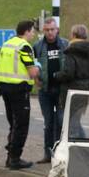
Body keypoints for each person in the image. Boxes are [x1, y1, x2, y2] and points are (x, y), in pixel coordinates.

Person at [0, 20, 39, 170]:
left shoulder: (7, 44)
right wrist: (38, 67)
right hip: (19, 90)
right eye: (32, 31)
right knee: (21, 125)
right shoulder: (24, 46)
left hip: (5, 88)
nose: (33, 34)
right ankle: (15, 158)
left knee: (13, 124)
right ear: (26, 31)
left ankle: (10, 157)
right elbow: (32, 72)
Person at [33, 17, 69, 163]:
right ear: (43, 31)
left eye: (52, 29)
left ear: (57, 30)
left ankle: (60, 154)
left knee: (60, 121)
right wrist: (36, 80)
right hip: (45, 90)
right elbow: (33, 64)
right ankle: (48, 154)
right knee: (48, 123)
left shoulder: (65, 44)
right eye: (47, 30)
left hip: (61, 90)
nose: (50, 33)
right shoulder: (38, 46)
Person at [52, 24, 89, 140]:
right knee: (75, 119)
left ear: (74, 35)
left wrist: (56, 75)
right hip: (84, 90)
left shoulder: (71, 51)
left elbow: (68, 73)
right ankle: (81, 143)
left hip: (71, 91)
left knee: (69, 122)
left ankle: (79, 145)